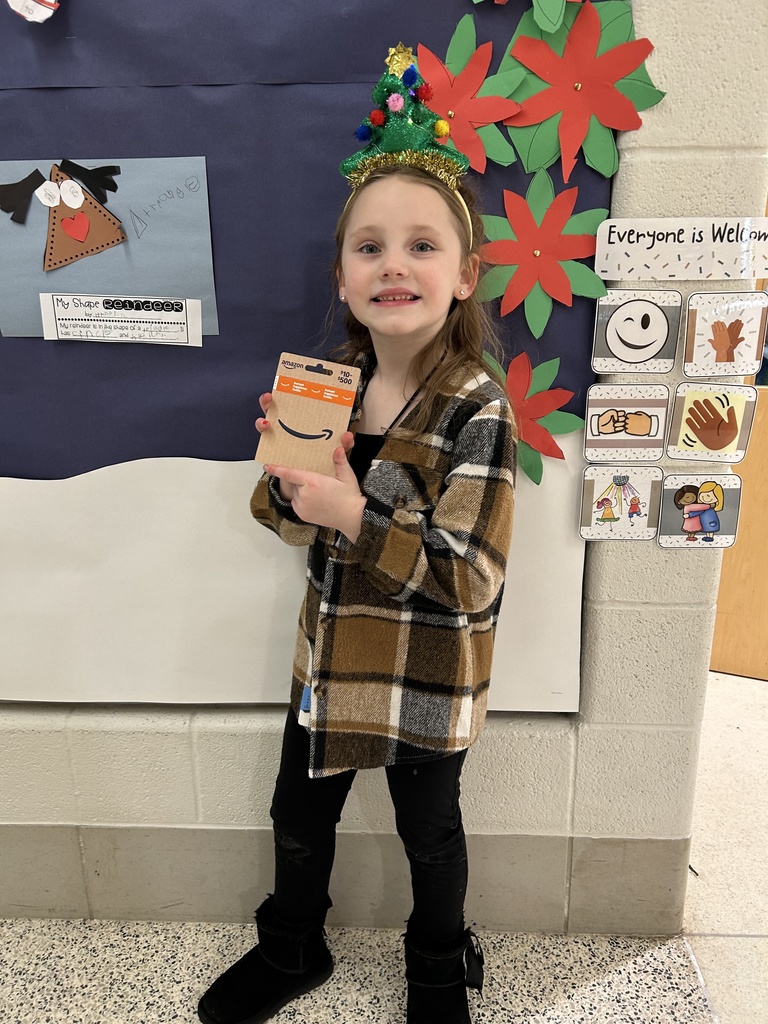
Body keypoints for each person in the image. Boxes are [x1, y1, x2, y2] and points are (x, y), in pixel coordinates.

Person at [197, 45, 516, 1024]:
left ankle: (437, 967)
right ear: (341, 278)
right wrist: (291, 483)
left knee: (431, 835)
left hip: (428, 675)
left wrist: (352, 507)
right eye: (370, 248)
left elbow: (469, 577)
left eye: (422, 245)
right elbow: (276, 516)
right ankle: (292, 948)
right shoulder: (326, 386)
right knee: (297, 817)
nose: (394, 265)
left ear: (464, 276)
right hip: (330, 662)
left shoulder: (477, 408)